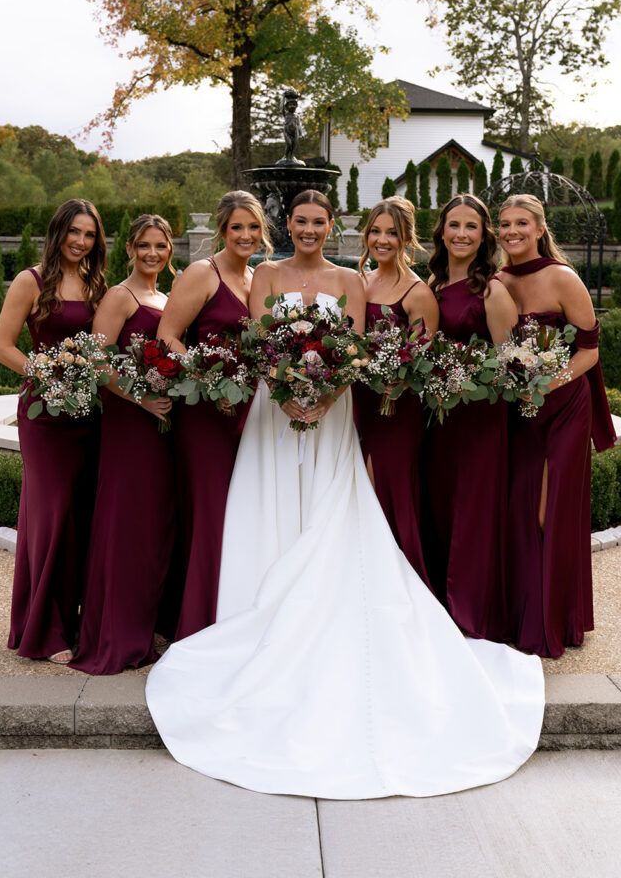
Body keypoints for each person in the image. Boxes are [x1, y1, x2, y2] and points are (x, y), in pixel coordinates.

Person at [146, 189, 544, 801]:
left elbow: (353, 351)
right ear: (291, 225)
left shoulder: (349, 281)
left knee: (332, 513)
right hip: (272, 412)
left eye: (319, 222)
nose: (309, 229)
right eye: (300, 222)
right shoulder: (267, 276)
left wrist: (324, 398)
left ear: (334, 227)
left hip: (332, 413)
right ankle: (255, 611)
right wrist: (284, 393)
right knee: (267, 505)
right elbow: (257, 343)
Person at [498, 194, 616, 658]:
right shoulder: (498, 281)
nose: (512, 231)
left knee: (551, 510)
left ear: (539, 227)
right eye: (504, 224)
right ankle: (525, 613)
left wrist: (547, 384)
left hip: (565, 405)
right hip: (520, 410)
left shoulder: (563, 278)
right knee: (521, 508)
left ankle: (557, 617)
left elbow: (589, 350)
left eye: (521, 223)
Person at [0, 199, 107, 663]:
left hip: (89, 416)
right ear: (58, 232)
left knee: (83, 516)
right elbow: (2, 345)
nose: (80, 242)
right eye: (74, 232)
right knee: (52, 514)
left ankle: (77, 620)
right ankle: (44, 628)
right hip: (44, 417)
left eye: (90, 234)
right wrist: (44, 373)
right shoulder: (31, 280)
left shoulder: (99, 285)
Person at [157, 191, 273, 641]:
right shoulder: (202, 273)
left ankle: (233, 614)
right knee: (210, 513)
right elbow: (169, 335)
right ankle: (198, 626)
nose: (245, 235)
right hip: (205, 413)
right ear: (222, 231)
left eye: (253, 227)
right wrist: (208, 379)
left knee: (241, 512)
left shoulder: (257, 277)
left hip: (248, 412)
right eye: (236, 228)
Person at [69, 215, 176, 674]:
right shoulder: (120, 296)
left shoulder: (168, 298)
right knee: (124, 523)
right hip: (130, 425)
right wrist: (141, 398)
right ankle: (115, 635)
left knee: (155, 527)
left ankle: (146, 624)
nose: (153, 254)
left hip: (164, 428)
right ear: (129, 248)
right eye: (145, 245)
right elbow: (94, 361)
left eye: (161, 246)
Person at [421, 195, 518, 642]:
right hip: (438, 419)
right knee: (439, 506)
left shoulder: (493, 290)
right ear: (441, 231)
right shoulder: (432, 282)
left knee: (473, 512)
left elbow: (509, 364)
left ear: (484, 236)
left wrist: (466, 376)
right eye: (453, 224)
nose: (461, 233)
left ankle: (472, 614)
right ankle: (439, 606)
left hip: (480, 418)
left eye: (471, 227)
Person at [353, 197, 438, 581]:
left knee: (386, 491)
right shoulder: (360, 282)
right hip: (356, 404)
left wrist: (396, 376)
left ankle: (400, 584)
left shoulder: (417, 292)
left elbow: (422, 360)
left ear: (406, 238)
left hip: (394, 408)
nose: (382, 240)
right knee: (356, 496)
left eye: (392, 232)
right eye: (375, 231)